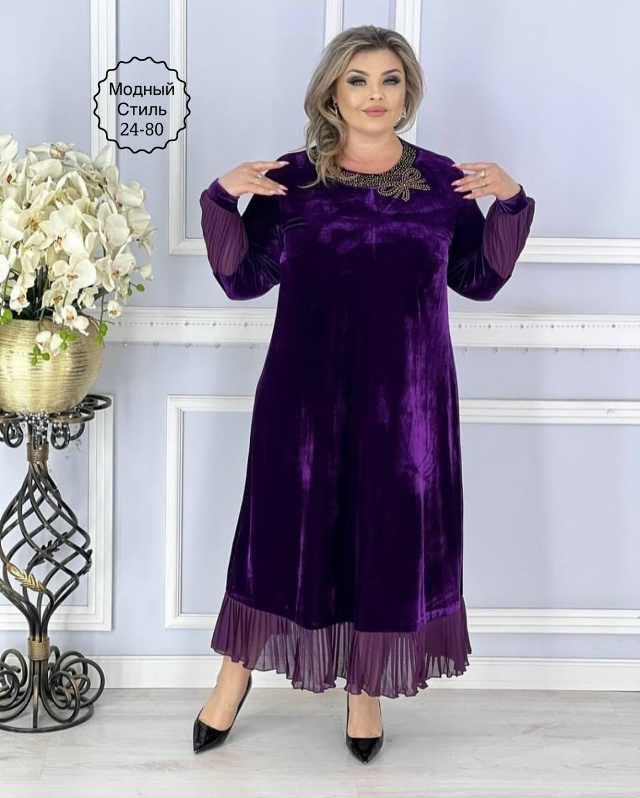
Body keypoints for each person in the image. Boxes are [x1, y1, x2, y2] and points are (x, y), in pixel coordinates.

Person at [194, 24, 535, 764]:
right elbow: (242, 280)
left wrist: (510, 203)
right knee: (277, 535)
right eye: (358, 79)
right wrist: (222, 198)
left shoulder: (443, 182)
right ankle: (233, 675)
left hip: (407, 406)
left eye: (389, 79)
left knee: (385, 540)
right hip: (303, 399)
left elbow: (478, 280)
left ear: (408, 93)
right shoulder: (292, 179)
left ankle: (366, 689)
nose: (375, 94)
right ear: (331, 92)